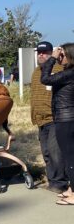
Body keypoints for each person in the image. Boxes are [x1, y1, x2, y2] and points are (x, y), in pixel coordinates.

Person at [30, 41, 68, 194]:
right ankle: (52, 180)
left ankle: (60, 184)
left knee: (55, 152)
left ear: (52, 53)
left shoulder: (59, 69)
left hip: (55, 118)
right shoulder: (36, 72)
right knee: (46, 152)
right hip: (40, 119)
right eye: (39, 52)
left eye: (45, 52)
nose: (41, 55)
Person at [40, 43, 74, 205]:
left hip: (66, 119)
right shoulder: (68, 73)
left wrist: (52, 58)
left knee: (69, 157)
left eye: (62, 55)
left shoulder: (70, 73)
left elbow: (45, 78)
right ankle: (71, 189)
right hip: (64, 117)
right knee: (69, 157)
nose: (60, 57)